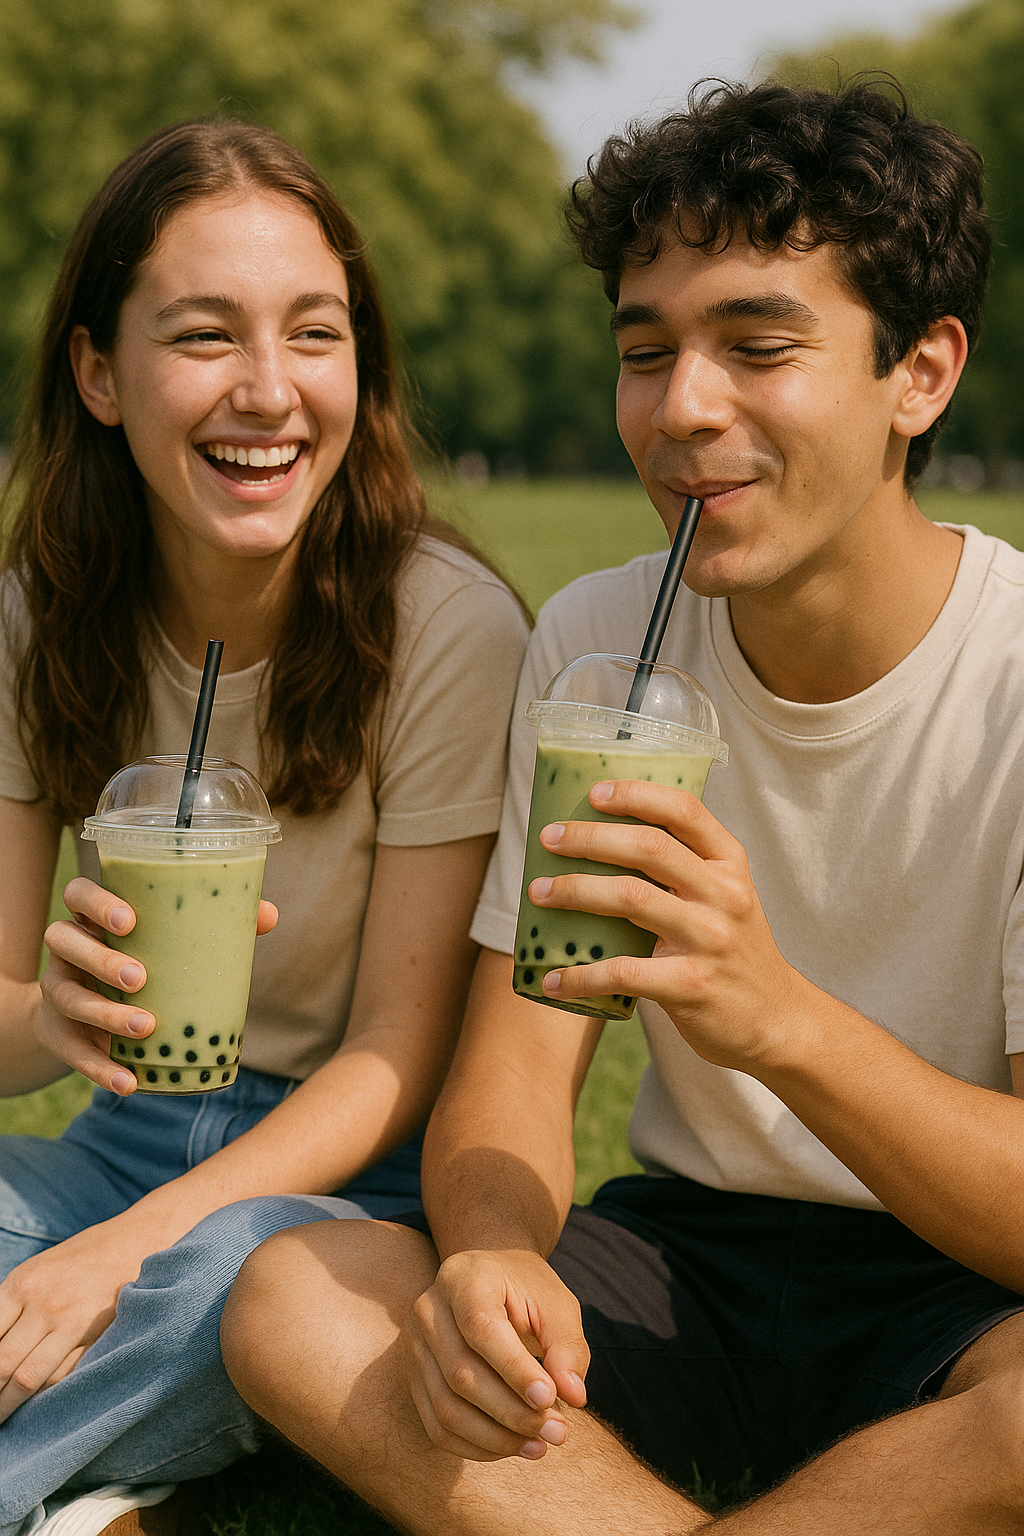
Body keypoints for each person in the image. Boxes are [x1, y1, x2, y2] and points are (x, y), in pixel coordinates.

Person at [223, 78, 1024, 1535]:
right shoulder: (603, 645)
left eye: (758, 348)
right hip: (688, 1264)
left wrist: (775, 1017)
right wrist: (488, 1248)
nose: (683, 410)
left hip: (961, 1287)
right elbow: (517, 1078)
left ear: (923, 373)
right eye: (645, 354)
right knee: (295, 1290)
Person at [0, 120, 529, 1536]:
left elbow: (397, 1057)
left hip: (344, 1182)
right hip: (116, 1139)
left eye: (314, 331)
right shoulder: (40, 618)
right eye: (202, 337)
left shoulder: (446, 628)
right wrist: (46, 1016)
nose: (269, 391)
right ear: (100, 373)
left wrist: (113, 1255)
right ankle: (114, 1485)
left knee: (239, 1293)